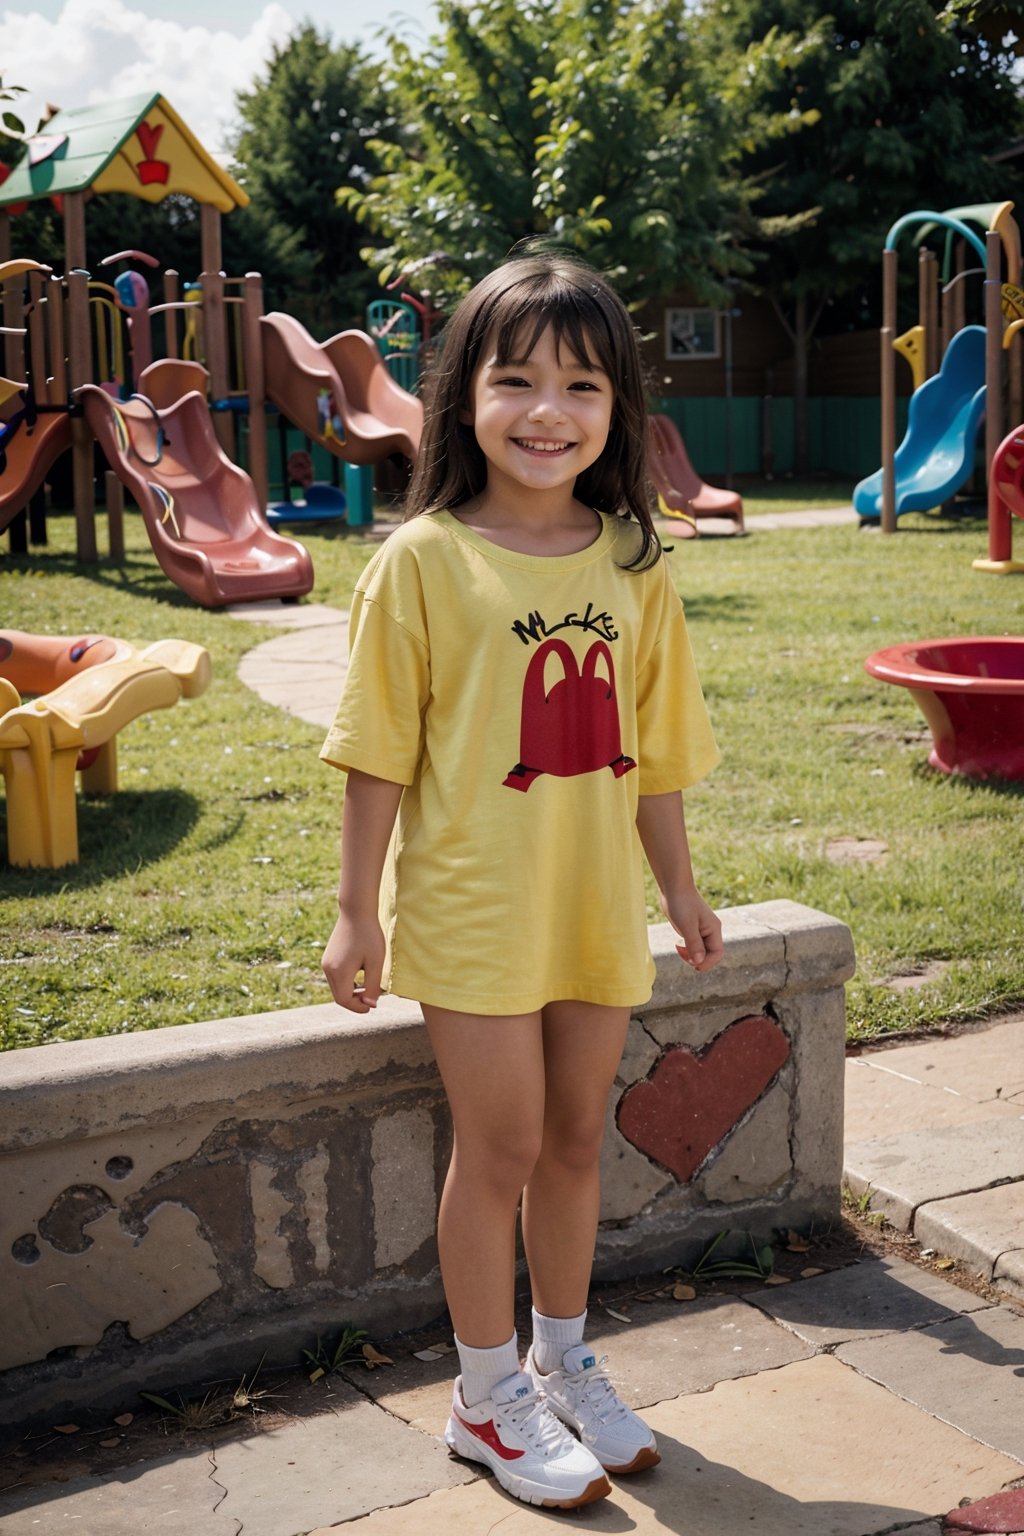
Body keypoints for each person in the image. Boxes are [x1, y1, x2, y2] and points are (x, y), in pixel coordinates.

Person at [321, 251, 723, 1511]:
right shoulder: (425, 561)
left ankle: (560, 1361)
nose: (548, 411)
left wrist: (681, 888)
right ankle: (482, 1396)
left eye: (582, 385)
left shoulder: (634, 563)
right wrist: (352, 911)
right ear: (464, 399)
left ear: (617, 409)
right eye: (517, 380)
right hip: (474, 909)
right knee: (494, 1146)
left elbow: (654, 754)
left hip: (592, 905)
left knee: (570, 1144)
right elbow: (376, 753)